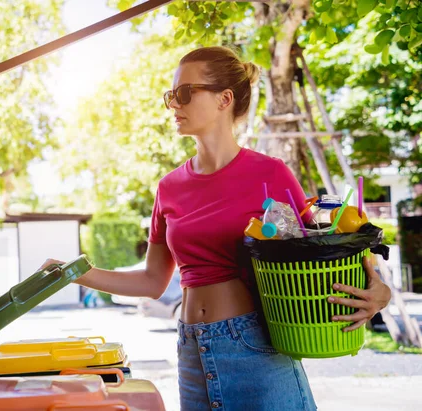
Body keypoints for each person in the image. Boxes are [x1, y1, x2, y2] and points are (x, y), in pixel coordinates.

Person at [40, 46, 391, 410]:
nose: (174, 104)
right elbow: (151, 281)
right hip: (191, 350)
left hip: (254, 347)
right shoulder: (169, 187)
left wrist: (380, 292)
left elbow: (320, 253)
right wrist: (73, 274)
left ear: (225, 99)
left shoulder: (270, 174)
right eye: (171, 96)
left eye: (185, 93)